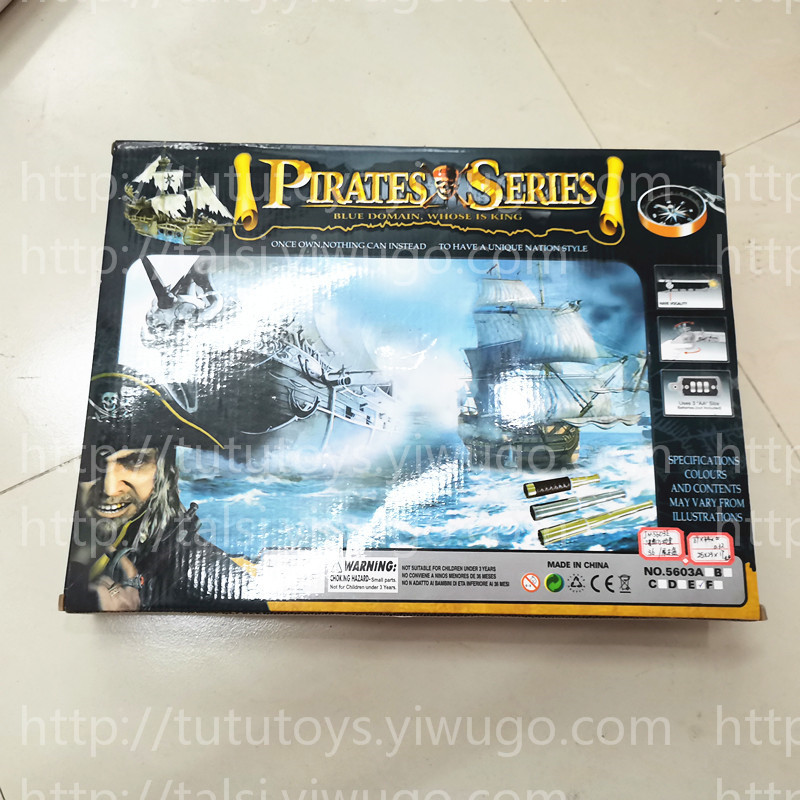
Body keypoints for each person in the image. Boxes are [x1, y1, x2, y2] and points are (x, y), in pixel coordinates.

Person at [63, 373, 254, 612]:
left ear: (164, 471)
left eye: (134, 462)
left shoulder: (213, 579)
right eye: (90, 462)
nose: (110, 488)